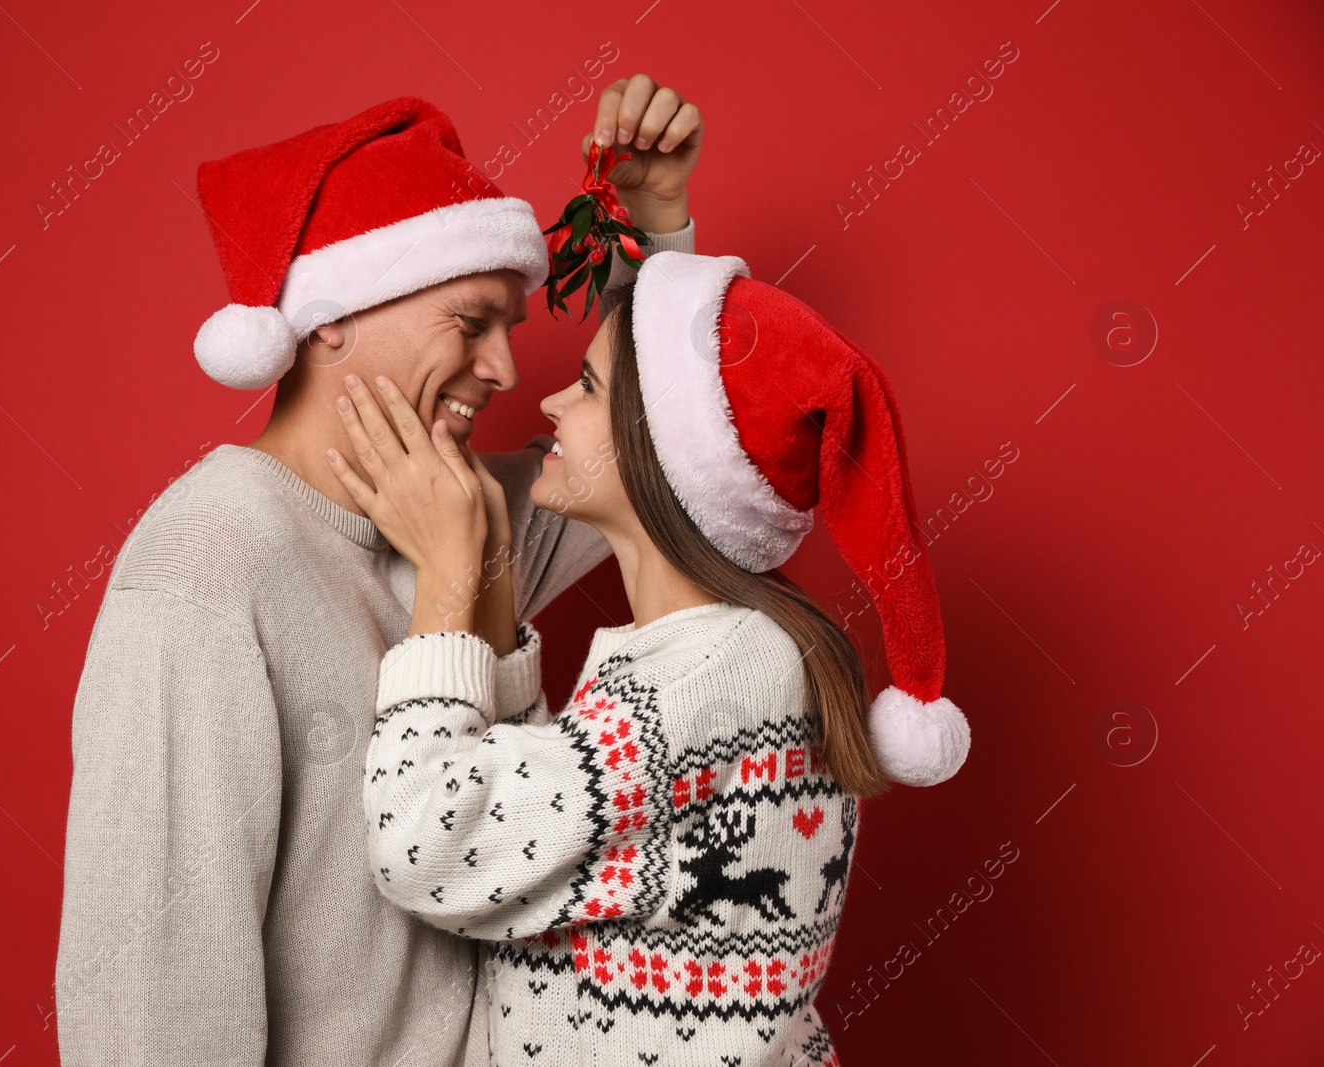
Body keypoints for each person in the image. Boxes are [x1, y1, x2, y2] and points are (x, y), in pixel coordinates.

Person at [54, 80, 704, 1066]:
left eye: (509, 331)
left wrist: (653, 231)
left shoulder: (462, 514)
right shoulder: (204, 569)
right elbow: (149, 993)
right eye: (473, 320)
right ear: (330, 317)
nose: (500, 367)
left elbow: (665, 467)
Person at [334, 252, 971, 1065]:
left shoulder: (711, 679)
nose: (551, 401)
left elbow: (428, 848)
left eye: (590, 387)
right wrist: (490, 569)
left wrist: (446, 576)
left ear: (663, 444)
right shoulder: (726, 655)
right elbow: (563, 847)